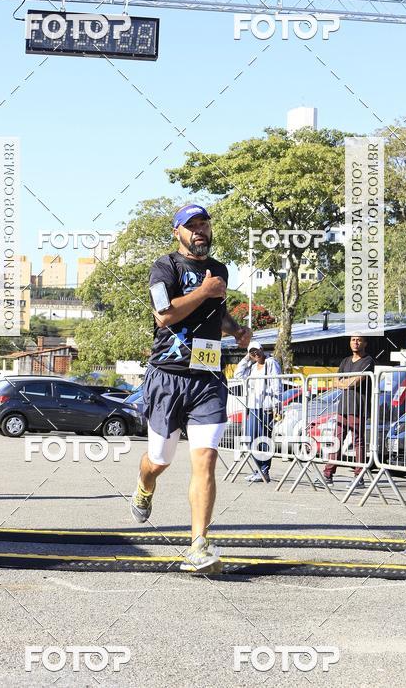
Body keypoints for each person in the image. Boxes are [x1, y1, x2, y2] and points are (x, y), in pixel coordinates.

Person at [130, 203, 252, 575]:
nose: (200, 230)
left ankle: (199, 543)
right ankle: (144, 484)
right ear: (177, 232)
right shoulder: (165, 267)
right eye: (191, 225)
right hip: (168, 375)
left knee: (206, 458)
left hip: (208, 376)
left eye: (204, 224)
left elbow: (217, 312)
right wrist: (204, 290)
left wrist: (236, 329)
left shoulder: (220, 270)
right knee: (160, 460)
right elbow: (163, 315)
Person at [318, 335, 375, 488]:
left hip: (358, 406)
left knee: (357, 441)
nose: (355, 342)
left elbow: (356, 382)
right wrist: (345, 383)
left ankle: (359, 476)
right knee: (336, 439)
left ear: (365, 343)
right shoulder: (345, 361)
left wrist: (346, 382)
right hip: (343, 406)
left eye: (359, 340)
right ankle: (328, 474)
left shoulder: (368, 361)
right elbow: (335, 380)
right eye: (353, 340)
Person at [233, 341, 282, 483]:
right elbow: (238, 375)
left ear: (262, 349)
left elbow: (276, 385)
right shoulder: (252, 367)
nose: (255, 354)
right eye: (252, 352)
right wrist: (246, 358)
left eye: (257, 350)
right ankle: (259, 469)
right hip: (253, 407)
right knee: (250, 438)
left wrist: (276, 406)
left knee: (263, 439)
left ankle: (264, 470)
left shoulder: (271, 363)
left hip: (266, 408)